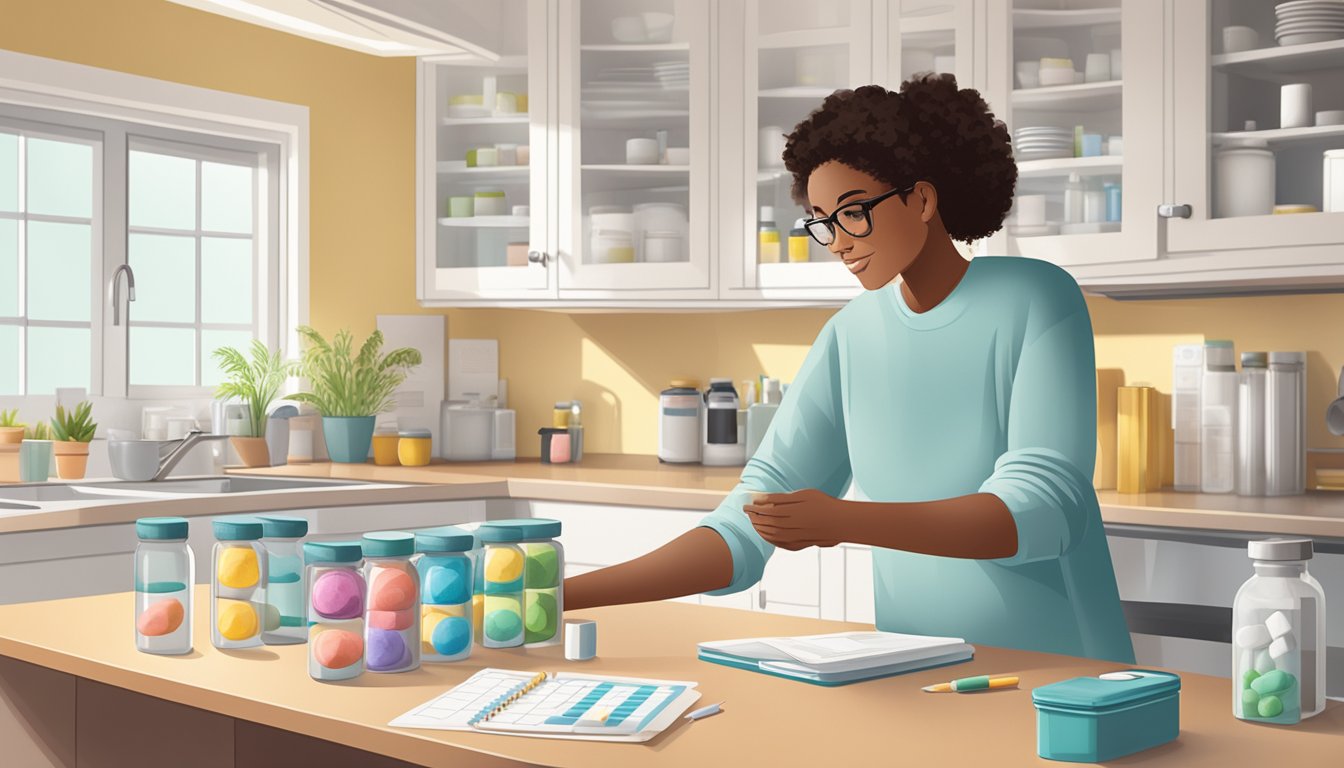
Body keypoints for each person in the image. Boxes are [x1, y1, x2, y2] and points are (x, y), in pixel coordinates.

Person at [564, 74, 1134, 663]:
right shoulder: (850, 335)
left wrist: (845, 520)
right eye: (821, 221)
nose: (836, 240)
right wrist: (561, 595)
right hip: (919, 673)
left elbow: (1040, 512)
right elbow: (746, 524)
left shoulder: (1036, 297)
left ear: (922, 199)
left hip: (1061, 677)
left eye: (853, 212)